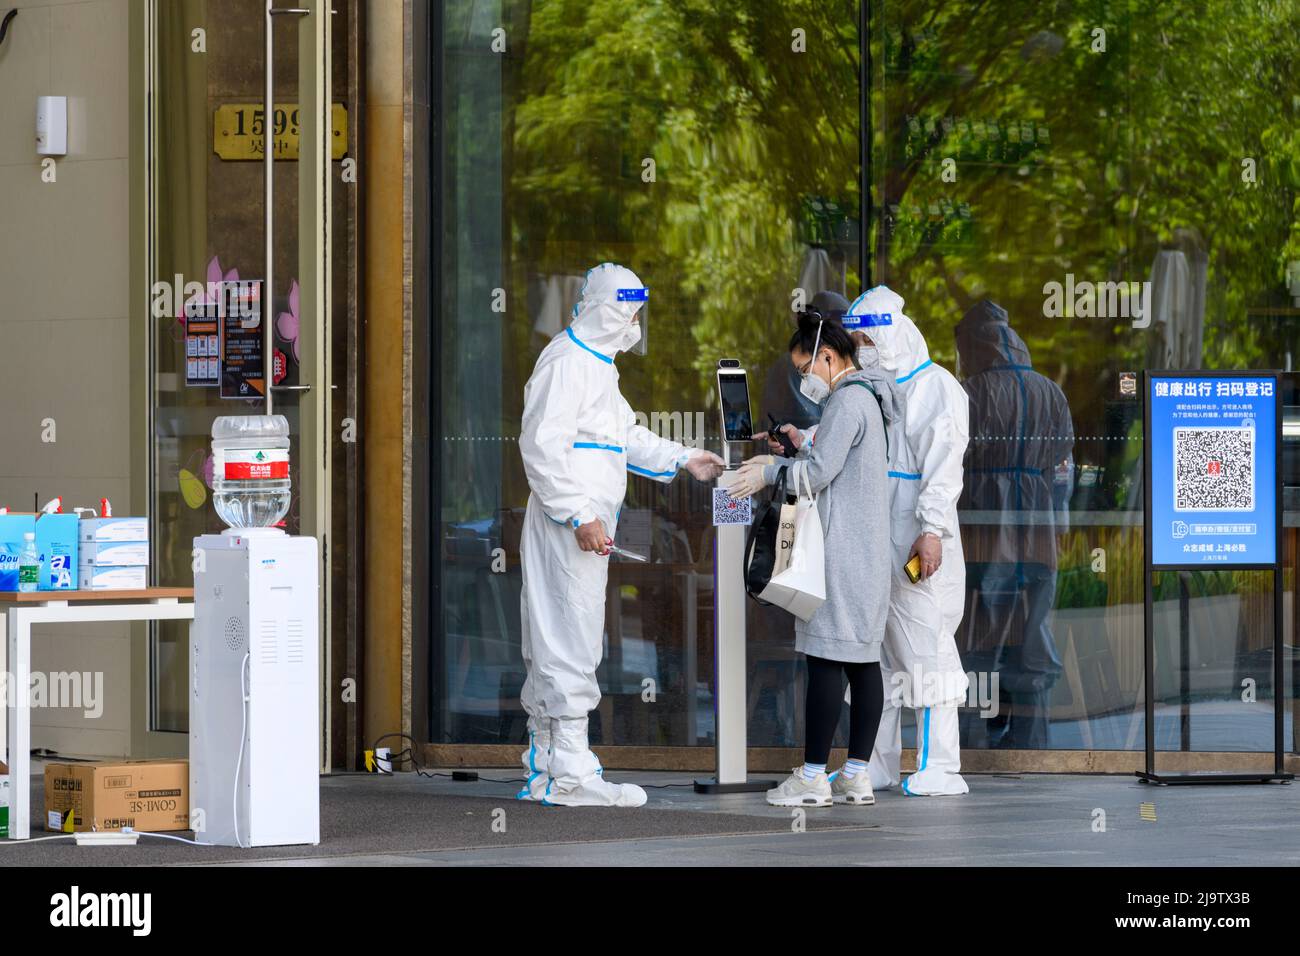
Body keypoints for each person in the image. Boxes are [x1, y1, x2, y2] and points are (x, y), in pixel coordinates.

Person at [517, 263, 724, 808]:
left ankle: (547, 767)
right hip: (572, 528)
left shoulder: (597, 367)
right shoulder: (566, 362)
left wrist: (683, 458)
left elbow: (621, 436)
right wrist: (578, 514)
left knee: (559, 636)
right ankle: (570, 775)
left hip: (582, 525)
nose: (633, 320)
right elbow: (541, 446)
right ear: (607, 307)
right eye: (627, 309)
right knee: (569, 639)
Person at [730, 314, 895, 807]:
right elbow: (835, 457)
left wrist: (770, 470)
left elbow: (821, 474)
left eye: (805, 370)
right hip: (867, 552)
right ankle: (857, 774)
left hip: (842, 553)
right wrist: (798, 442)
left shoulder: (848, 399)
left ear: (828, 357)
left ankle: (813, 776)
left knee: (825, 660)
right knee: (864, 663)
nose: (805, 381)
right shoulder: (870, 397)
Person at [848, 285, 971, 796]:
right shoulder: (878, 387)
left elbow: (943, 469)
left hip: (918, 537)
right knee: (875, 654)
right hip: (878, 535)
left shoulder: (936, 388)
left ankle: (939, 765)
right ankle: (874, 764)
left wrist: (931, 530)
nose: (860, 348)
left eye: (864, 338)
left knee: (926, 649)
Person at [955, 299, 1074, 749]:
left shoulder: (969, 394)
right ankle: (1031, 746)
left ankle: (969, 747)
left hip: (978, 532)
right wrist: (1056, 521)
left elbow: (950, 462)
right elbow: (1064, 469)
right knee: (1032, 636)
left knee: (974, 637)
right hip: (1039, 534)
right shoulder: (1051, 392)